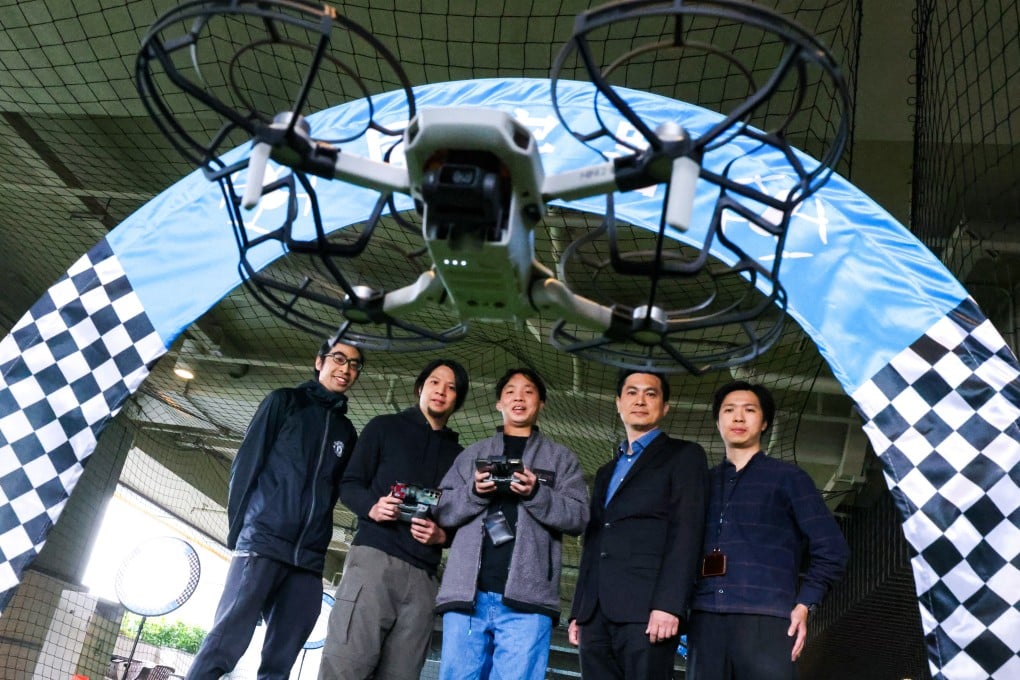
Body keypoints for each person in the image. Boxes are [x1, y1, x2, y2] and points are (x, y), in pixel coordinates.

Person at [186, 337, 363, 680]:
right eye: (339, 359)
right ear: (319, 362)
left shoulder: (346, 430)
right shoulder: (284, 402)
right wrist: (241, 535)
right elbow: (246, 465)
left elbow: (337, 490)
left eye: (354, 364)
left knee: (280, 665)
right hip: (262, 542)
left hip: (308, 560)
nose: (346, 368)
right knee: (224, 645)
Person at [685, 380, 850, 680]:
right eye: (729, 410)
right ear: (718, 420)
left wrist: (804, 605)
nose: (738, 417)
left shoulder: (788, 478)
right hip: (705, 620)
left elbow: (832, 549)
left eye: (749, 410)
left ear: (765, 423)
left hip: (767, 619)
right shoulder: (701, 483)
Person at [433, 367, 590, 680]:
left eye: (529, 391)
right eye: (510, 391)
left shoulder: (562, 459)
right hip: (467, 597)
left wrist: (536, 493)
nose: (519, 397)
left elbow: (579, 517)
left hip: (529, 602)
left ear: (541, 403)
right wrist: (474, 492)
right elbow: (443, 510)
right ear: (498, 403)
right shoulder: (471, 455)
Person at [317, 358, 470, 680]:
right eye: (434, 383)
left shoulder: (460, 457)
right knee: (347, 663)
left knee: (402, 673)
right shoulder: (384, 427)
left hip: (424, 577)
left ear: (458, 400)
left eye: (451, 387)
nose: (441, 391)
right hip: (375, 558)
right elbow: (349, 482)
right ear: (420, 388)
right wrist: (372, 506)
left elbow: (463, 520)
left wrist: (443, 537)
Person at [568, 370, 709, 679]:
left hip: (647, 612)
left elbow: (688, 533)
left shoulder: (684, 455)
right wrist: (579, 611)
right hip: (595, 614)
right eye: (631, 393)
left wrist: (670, 605)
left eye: (651, 393)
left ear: (665, 407)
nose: (640, 400)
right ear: (619, 403)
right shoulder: (606, 470)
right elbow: (594, 541)